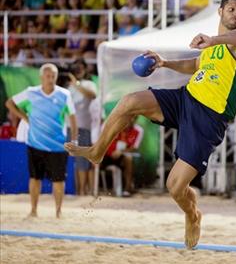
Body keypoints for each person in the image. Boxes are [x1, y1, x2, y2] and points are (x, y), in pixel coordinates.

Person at [64, 0, 236, 249]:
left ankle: (192, 215)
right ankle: (97, 151)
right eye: (232, 9)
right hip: (186, 98)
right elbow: (195, 65)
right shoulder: (211, 49)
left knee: (175, 187)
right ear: (220, 11)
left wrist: (212, 39)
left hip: (209, 119)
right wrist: (164, 63)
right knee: (129, 102)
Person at [5, 63, 77, 218]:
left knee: (58, 181)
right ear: (41, 77)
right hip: (35, 143)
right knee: (35, 178)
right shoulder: (31, 93)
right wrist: (25, 117)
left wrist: (74, 141)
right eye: (48, 76)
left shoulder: (64, 95)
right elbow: (9, 103)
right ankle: (33, 210)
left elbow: (73, 119)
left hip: (58, 145)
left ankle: (58, 212)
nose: (50, 79)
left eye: (53, 76)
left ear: (56, 77)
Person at [68, 58, 97, 196]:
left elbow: (92, 95)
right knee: (71, 160)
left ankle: (82, 192)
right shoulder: (68, 86)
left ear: (85, 69)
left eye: (80, 68)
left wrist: (76, 84)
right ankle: (76, 190)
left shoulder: (89, 84)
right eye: (75, 68)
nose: (78, 70)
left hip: (83, 126)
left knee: (82, 161)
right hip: (69, 127)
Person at [101, 119, 144, 197]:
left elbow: (134, 148)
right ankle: (93, 188)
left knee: (128, 159)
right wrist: (112, 152)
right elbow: (105, 142)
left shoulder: (138, 130)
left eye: (131, 119)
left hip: (121, 157)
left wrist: (120, 151)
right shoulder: (115, 127)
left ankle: (127, 188)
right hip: (108, 155)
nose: (128, 122)